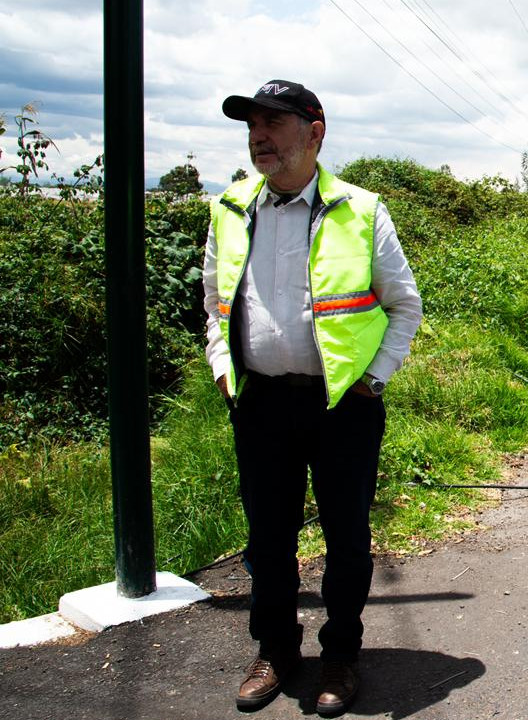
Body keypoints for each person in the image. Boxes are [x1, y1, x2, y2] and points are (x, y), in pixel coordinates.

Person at [202, 79, 423, 715]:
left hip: (342, 408)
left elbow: (404, 305)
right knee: (266, 536)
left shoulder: (361, 209)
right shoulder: (231, 207)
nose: (259, 136)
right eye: (252, 125)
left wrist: (373, 378)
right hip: (261, 402)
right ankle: (275, 650)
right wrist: (223, 367)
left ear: (314, 133)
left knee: (346, 538)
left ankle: (341, 656)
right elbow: (214, 303)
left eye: (274, 123)